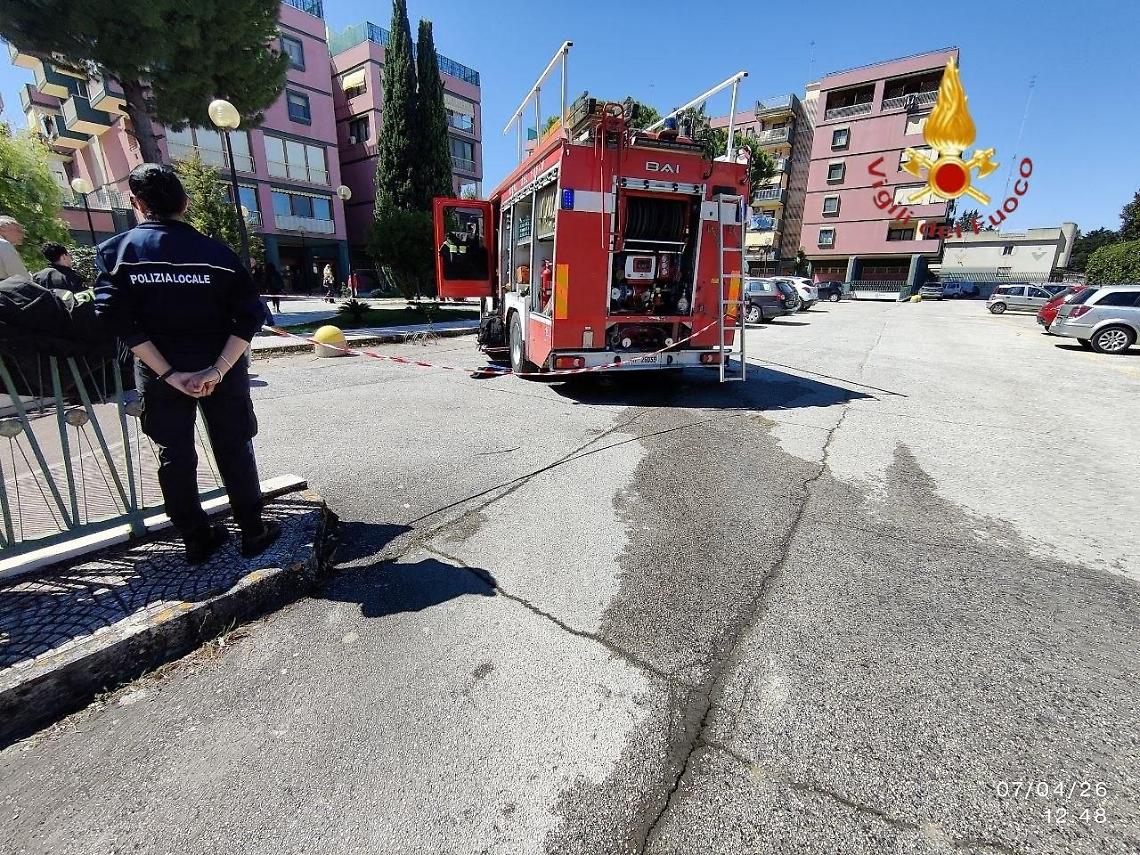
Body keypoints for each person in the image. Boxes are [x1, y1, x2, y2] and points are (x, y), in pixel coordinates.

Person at [94, 163, 281, 565]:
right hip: (222, 368)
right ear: (186, 201)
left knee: (174, 453)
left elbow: (113, 318)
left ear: (136, 203)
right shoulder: (219, 255)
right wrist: (216, 371)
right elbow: (250, 316)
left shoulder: (117, 253)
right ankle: (253, 530)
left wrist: (168, 373)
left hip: (159, 372)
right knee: (234, 445)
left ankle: (197, 538)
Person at [0, 216, 31, 281]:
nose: (23, 235)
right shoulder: (3, 244)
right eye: (18, 230)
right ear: (2, 229)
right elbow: (21, 277)